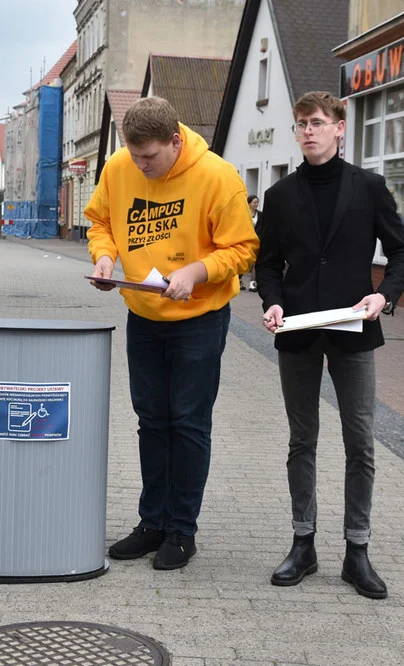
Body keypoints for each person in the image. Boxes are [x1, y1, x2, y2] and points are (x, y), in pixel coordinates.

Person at [86, 97, 259, 570]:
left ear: (176, 141)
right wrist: (104, 257)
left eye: (151, 157)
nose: (141, 166)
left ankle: (182, 530)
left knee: (187, 422)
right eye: (134, 155)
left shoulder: (218, 177)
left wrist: (199, 271)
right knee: (151, 420)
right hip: (143, 314)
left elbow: (243, 250)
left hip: (199, 319)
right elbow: (100, 220)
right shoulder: (121, 166)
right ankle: (151, 523)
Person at [255, 91, 404, 598]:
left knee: (360, 442)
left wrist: (383, 296)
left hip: (353, 329)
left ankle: (357, 551)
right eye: (302, 123)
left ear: (340, 128)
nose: (308, 131)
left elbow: (401, 252)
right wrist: (273, 302)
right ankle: (303, 544)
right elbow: (266, 263)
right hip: (298, 330)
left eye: (318, 122)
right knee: (302, 440)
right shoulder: (281, 195)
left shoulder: (368, 188)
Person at [243, 195, 261, 292]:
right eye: (254, 202)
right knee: (243, 261)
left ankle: (252, 283)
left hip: (256, 241)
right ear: (249, 203)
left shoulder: (260, 215)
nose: (256, 204)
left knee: (255, 262)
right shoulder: (243, 214)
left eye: (257, 202)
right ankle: (238, 280)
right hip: (245, 241)